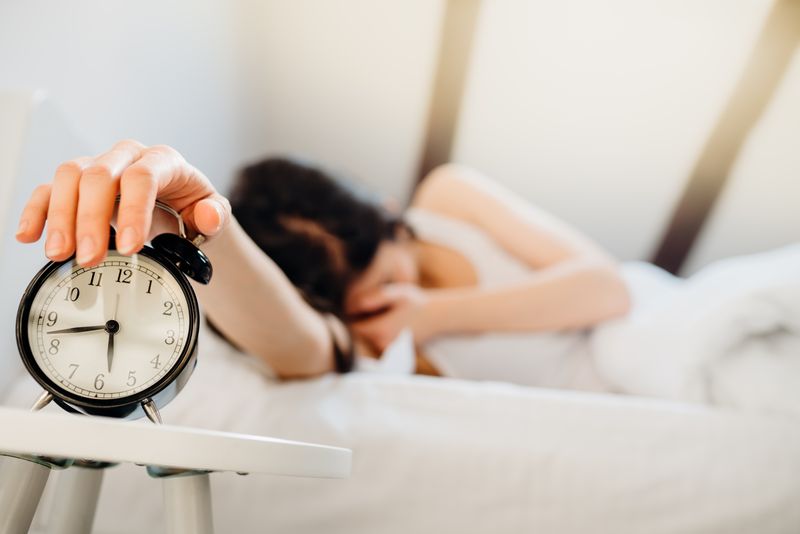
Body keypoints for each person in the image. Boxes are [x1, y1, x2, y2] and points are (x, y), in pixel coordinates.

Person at [16, 140, 631, 387]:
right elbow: (302, 345)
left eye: (394, 274)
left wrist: (436, 312)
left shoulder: (449, 197)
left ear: (392, 214)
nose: (401, 293)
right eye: (378, 294)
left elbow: (609, 289)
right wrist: (202, 235)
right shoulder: (369, 328)